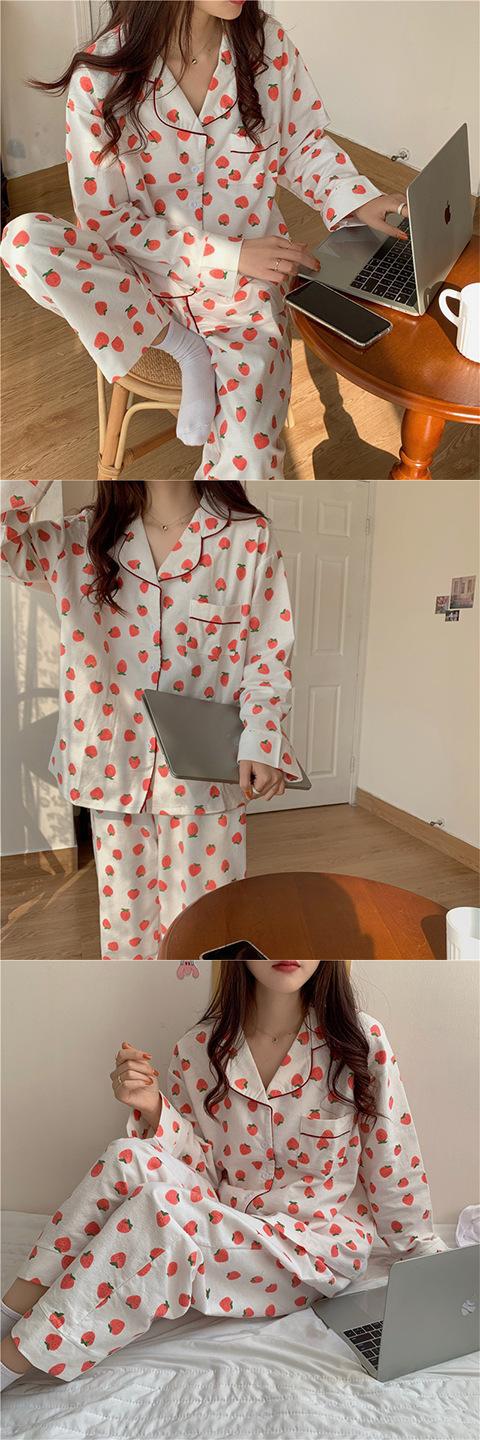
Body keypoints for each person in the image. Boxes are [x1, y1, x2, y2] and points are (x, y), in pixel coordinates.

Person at [0, 0, 409, 479]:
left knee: (250, 463)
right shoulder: (101, 76)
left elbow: (300, 144)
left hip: (243, 297)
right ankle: (182, 347)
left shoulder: (265, 45)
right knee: (23, 243)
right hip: (141, 285)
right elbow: (106, 220)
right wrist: (229, 255)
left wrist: (355, 198)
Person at [0, 958, 446, 1388]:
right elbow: (200, 1168)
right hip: (226, 1217)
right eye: (268, 933)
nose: (286, 948)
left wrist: (428, 1255)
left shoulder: (358, 1041)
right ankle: (7, 1315)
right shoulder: (199, 1048)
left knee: (160, 1213)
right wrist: (153, 1108)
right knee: (126, 1157)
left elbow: (392, 1156)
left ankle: (11, 1360)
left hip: (310, 1248)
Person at [0, 479, 302, 958]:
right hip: (112, 767)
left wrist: (262, 737)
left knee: (207, 931)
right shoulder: (79, 539)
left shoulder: (247, 537)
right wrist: (40, 473)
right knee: (126, 936)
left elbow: (268, 651)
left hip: (205, 778)